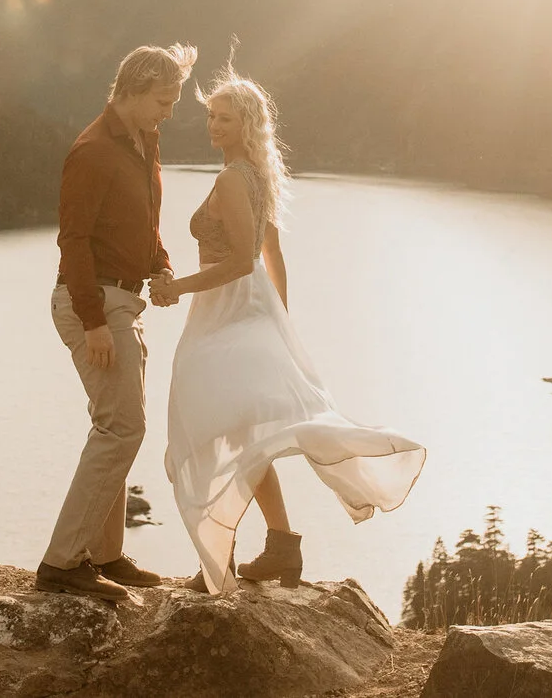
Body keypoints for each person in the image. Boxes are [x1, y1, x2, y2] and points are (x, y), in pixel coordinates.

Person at [152, 61, 426, 593]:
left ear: (248, 125)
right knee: (236, 433)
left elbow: (237, 261)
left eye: (226, 119)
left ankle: (229, 558)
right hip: (245, 311)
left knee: (210, 428)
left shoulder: (235, 179)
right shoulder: (255, 176)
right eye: (211, 117)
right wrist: (276, 316)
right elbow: (270, 253)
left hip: (226, 309)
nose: (214, 127)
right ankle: (280, 547)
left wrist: (175, 288)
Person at [36, 42, 199, 601]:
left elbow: (145, 222)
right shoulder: (93, 151)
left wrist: (162, 265)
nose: (170, 111)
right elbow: (74, 240)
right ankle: (63, 563)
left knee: (114, 427)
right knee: (122, 429)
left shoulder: (142, 141)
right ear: (132, 90)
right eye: (163, 98)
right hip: (95, 306)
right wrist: (95, 323)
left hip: (121, 301)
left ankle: (104, 556)